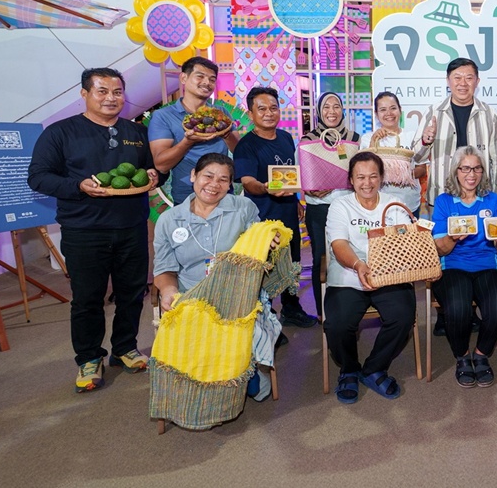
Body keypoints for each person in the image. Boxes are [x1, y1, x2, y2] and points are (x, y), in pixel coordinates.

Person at [28, 68, 159, 392]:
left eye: (117, 92)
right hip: (84, 230)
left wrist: (155, 175)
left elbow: (152, 170)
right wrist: (78, 186)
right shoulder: (60, 132)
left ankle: (125, 348)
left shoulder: (136, 132)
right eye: (102, 91)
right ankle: (88, 357)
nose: (111, 98)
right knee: (87, 298)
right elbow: (38, 177)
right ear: (84, 94)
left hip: (131, 227)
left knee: (132, 292)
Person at [152, 153, 280, 400]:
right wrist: (168, 291)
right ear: (193, 176)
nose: (214, 185)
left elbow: (259, 240)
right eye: (208, 176)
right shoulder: (170, 220)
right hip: (191, 295)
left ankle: (245, 371)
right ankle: (209, 380)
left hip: (237, 292)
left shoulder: (243, 208)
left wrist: (269, 239)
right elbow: (164, 268)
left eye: (223, 179)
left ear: (230, 184)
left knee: (242, 331)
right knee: (192, 329)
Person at [324, 152, 417, 403]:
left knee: (403, 316)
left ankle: (374, 368)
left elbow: (404, 242)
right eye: (360, 177)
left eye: (373, 176)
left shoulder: (394, 204)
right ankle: (349, 369)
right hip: (349, 273)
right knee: (337, 324)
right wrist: (358, 264)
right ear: (351, 180)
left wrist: (385, 264)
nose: (367, 183)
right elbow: (339, 244)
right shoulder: (340, 206)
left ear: (382, 178)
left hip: (389, 274)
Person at [233, 87, 317, 328]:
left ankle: (291, 309)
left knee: (292, 263)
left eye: (273, 108)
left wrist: (297, 199)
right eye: (261, 109)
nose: (269, 113)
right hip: (263, 219)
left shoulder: (285, 138)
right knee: (266, 268)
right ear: (251, 114)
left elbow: (289, 176)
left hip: (288, 213)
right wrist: (265, 188)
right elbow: (248, 182)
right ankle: (265, 321)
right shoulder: (246, 146)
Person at [431, 147, 497, 388]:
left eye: (477, 168)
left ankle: (481, 354)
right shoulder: (444, 201)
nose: (471, 174)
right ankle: (462, 355)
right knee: (457, 308)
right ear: (456, 171)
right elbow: (440, 250)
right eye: (465, 168)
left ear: (483, 171)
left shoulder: (493, 200)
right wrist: (453, 238)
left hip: (487, 264)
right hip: (453, 265)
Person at [413, 58, 497, 219]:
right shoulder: (433, 112)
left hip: (481, 198)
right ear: (448, 80)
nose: (463, 83)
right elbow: (416, 157)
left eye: (469, 78)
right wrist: (425, 141)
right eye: (457, 77)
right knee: (442, 236)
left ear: (477, 81)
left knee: (481, 237)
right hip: (441, 197)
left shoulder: (490, 114)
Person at [149, 56, 239, 205]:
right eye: (200, 76)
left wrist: (226, 134)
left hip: (223, 194)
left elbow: (239, 150)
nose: (207, 82)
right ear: (183, 78)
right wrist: (187, 142)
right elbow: (161, 165)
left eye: (212, 79)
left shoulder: (221, 113)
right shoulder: (163, 116)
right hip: (186, 197)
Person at [302, 91, 360, 319]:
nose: (332, 111)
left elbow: (359, 172)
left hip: (347, 207)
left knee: (348, 255)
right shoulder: (307, 140)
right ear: (319, 111)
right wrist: (309, 188)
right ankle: (322, 312)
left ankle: (349, 309)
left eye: (336, 106)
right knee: (320, 258)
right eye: (326, 107)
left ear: (343, 110)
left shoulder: (354, 139)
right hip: (318, 208)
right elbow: (301, 174)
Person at [360, 92, 427, 215]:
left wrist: (402, 175)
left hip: (410, 205)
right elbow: (365, 170)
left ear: (400, 110)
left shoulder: (413, 137)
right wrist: (373, 142)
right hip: (378, 205)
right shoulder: (367, 138)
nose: (389, 113)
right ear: (376, 114)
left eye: (393, 108)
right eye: (383, 110)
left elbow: (422, 169)